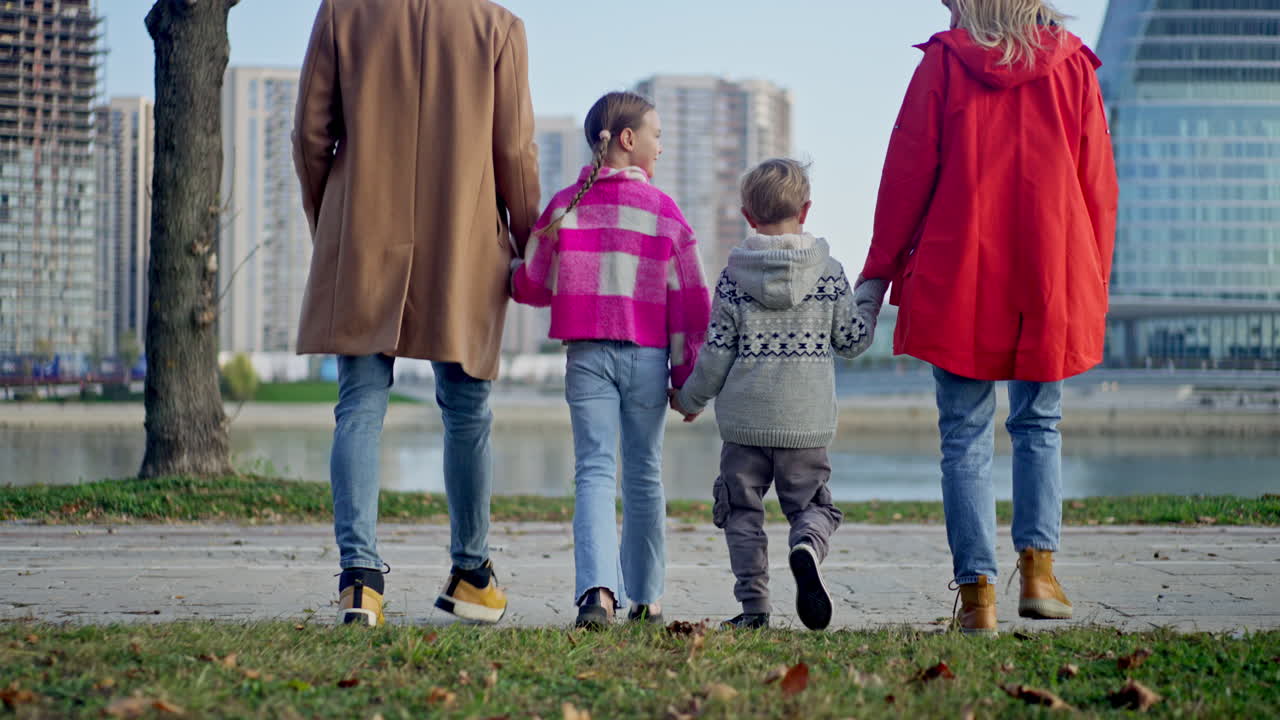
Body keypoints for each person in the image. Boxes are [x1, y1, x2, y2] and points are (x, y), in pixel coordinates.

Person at [858, 0, 1117, 635]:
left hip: (962, 270)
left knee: (964, 438)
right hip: (1050, 266)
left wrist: (879, 269)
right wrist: (1096, 276)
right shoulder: (1073, 65)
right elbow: (1097, 180)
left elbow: (907, 172)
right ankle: (1039, 572)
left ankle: (977, 597)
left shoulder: (945, 62)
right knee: (1040, 423)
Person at [292, 0, 541, 626]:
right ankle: (472, 574)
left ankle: (361, 581)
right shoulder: (497, 27)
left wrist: (333, 220)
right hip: (462, 235)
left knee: (359, 403)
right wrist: (527, 235)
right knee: (467, 411)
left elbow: (310, 135)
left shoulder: (343, 13)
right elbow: (513, 150)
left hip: (364, 227)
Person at [511, 91, 711, 629]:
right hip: (646, 358)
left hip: (586, 357)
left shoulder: (566, 204)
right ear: (627, 140)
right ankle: (646, 598)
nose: (661, 147)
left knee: (594, 471)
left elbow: (531, 284)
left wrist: (510, 272)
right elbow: (691, 301)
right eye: (656, 135)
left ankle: (596, 595)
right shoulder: (665, 212)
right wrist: (687, 377)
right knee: (644, 473)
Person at [670, 159, 885, 631]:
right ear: (805, 210)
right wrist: (870, 291)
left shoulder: (732, 278)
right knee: (813, 507)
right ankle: (807, 544)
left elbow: (715, 356)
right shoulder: (829, 274)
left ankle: (754, 609)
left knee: (741, 514)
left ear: (748, 216)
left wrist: (689, 399)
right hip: (805, 424)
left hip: (744, 424)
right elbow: (852, 339)